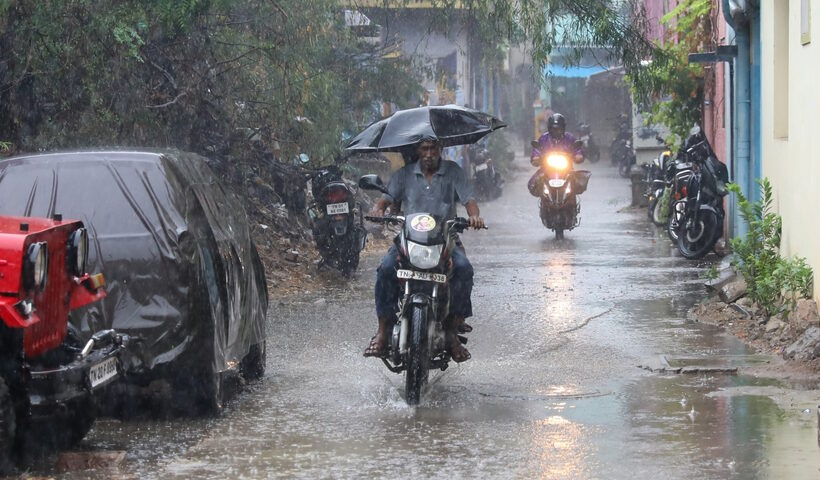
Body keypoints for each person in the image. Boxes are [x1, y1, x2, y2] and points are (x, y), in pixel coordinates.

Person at [364, 137, 485, 363]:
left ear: (440, 150)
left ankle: (451, 332)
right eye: (424, 149)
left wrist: (474, 216)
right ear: (418, 151)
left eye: (433, 149)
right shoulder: (404, 174)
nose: (429, 153)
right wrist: (378, 209)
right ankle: (383, 332)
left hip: (446, 237)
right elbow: (385, 199)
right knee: (386, 269)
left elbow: (469, 200)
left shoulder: (453, 172)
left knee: (463, 269)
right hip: (409, 239)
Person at [528, 113, 583, 195]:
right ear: (550, 129)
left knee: (578, 183)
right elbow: (537, 149)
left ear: (563, 128)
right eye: (554, 129)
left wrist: (578, 155)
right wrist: (536, 157)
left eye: (559, 129)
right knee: (533, 184)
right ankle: (544, 201)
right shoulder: (544, 138)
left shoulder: (569, 138)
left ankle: (573, 203)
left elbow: (577, 148)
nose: (556, 131)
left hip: (567, 170)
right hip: (546, 169)